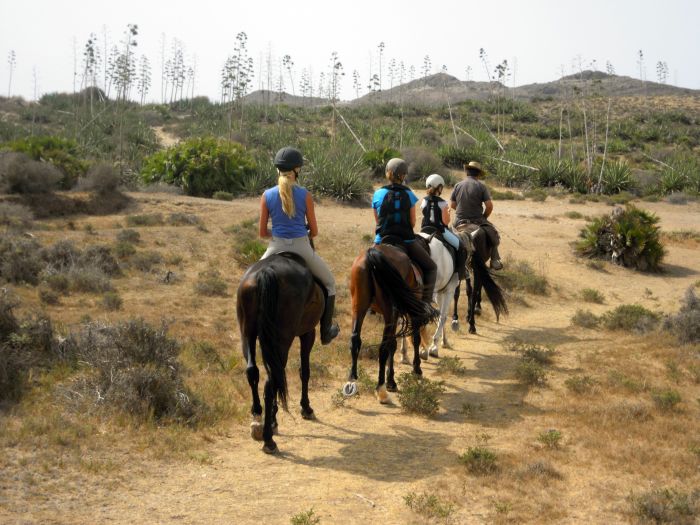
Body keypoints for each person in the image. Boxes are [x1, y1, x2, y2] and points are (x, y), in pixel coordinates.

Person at [259, 146, 339, 344]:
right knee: (330, 283)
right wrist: (302, 234)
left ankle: (250, 328)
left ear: (277, 169)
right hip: (302, 247)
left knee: (250, 281)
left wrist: (277, 234)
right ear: (297, 170)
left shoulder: (267, 195)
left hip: (275, 247)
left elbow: (262, 233)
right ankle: (326, 332)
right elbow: (315, 231)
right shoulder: (305, 195)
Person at [372, 158, 437, 304]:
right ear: (403, 175)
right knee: (431, 267)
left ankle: (371, 303)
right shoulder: (409, 194)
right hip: (406, 241)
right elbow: (413, 222)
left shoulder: (378, 194)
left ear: (388, 173)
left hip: (381, 240)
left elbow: (378, 221)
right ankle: (426, 305)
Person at [450, 161, 503, 270]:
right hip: (477, 220)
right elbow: (489, 206)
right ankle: (494, 260)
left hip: (458, 221)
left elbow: (452, 204)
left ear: (467, 172)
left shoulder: (458, 185)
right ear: (478, 174)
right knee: (494, 234)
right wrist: (484, 217)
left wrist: (463, 211)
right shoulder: (481, 186)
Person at [420, 174, 468, 280]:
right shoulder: (442, 203)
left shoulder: (424, 201)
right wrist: (448, 212)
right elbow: (446, 221)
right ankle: (461, 273)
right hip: (440, 231)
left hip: (424, 230)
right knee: (461, 247)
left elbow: (425, 213)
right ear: (440, 187)